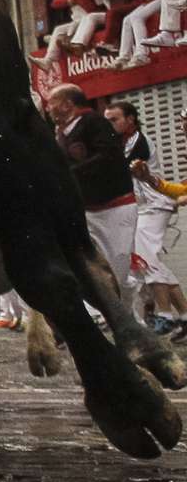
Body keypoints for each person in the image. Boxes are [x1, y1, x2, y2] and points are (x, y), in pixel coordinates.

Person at [47, 83, 139, 311]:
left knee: (118, 265)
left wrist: (67, 175)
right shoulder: (60, 134)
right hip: (88, 209)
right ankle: (115, 315)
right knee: (93, 266)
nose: (48, 108)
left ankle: (126, 315)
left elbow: (107, 156)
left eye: (52, 102)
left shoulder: (94, 122)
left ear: (68, 104)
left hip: (115, 206)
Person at [105, 103, 187, 338]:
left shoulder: (138, 142)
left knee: (146, 259)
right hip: (142, 207)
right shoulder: (119, 143)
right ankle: (183, 314)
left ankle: (165, 315)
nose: (108, 125)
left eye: (114, 119)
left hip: (154, 206)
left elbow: (114, 169)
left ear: (130, 120)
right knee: (147, 261)